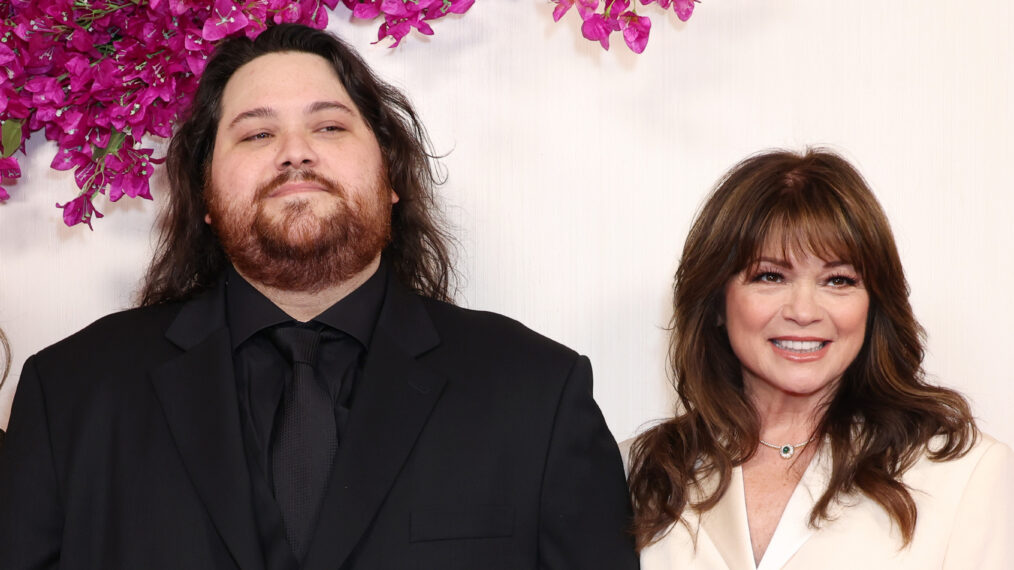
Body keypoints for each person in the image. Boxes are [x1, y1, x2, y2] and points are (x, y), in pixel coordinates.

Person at [0, 24, 638, 569]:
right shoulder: (68, 396)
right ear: (205, 198)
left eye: (330, 126)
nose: (295, 153)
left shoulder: (539, 393)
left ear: (391, 177)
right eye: (256, 134)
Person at [627, 149, 1013, 569]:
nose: (804, 311)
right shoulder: (639, 473)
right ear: (717, 301)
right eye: (770, 276)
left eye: (838, 280)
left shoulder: (966, 475)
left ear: (874, 305)